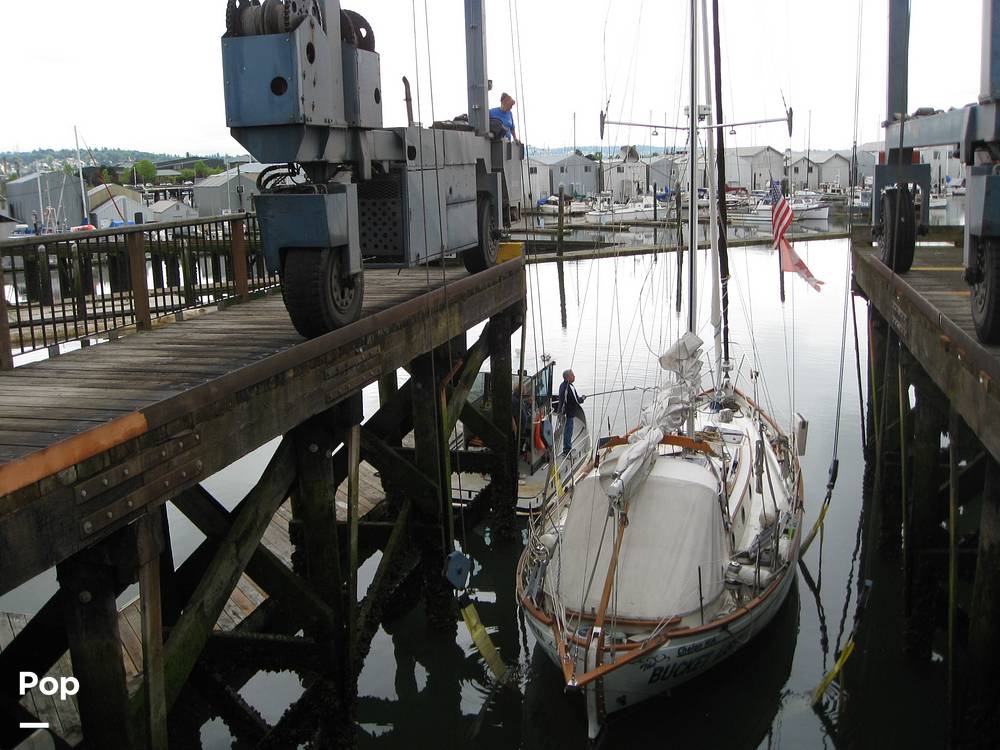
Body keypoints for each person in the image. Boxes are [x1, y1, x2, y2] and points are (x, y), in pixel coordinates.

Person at [557, 369, 585, 456]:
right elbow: (576, 400)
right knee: (568, 431)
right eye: (573, 375)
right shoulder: (569, 387)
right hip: (568, 413)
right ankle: (566, 450)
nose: (574, 376)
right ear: (568, 377)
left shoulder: (562, 385)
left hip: (563, 412)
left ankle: (567, 447)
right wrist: (582, 398)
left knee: (567, 430)